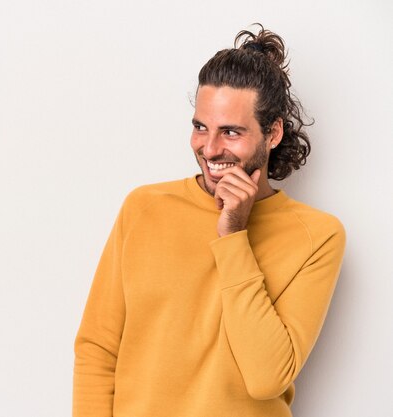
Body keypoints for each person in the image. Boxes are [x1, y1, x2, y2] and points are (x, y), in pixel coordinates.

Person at [72, 24, 346, 417]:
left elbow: (267, 378)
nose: (210, 147)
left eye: (231, 132)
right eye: (201, 127)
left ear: (273, 134)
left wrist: (233, 234)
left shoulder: (318, 236)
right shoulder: (144, 207)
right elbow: (98, 349)